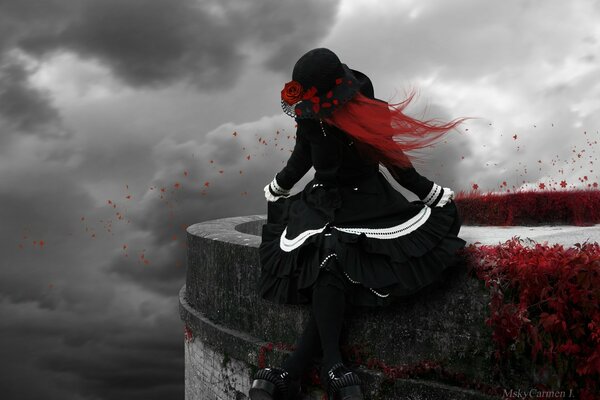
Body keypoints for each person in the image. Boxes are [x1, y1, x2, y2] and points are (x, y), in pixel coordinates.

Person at [249, 48, 467, 400]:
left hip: (368, 202)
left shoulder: (371, 113)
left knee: (335, 253)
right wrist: (280, 185)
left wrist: (428, 193)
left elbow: (395, 161)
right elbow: (302, 157)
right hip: (321, 201)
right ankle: (330, 365)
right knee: (325, 251)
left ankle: (297, 370)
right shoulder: (309, 118)